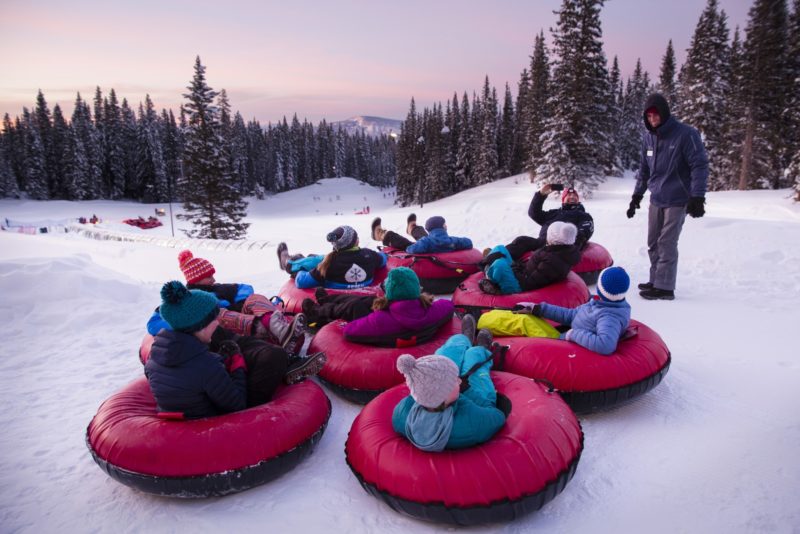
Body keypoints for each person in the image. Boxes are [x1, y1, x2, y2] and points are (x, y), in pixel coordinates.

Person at [145, 281, 326, 419]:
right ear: (197, 327)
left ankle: (284, 357)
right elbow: (236, 405)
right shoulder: (207, 365)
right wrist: (237, 366)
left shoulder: (156, 354)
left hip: (204, 388)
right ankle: (285, 361)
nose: (217, 321)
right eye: (212, 320)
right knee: (273, 357)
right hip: (218, 417)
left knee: (228, 338)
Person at [626, 93, 709, 301]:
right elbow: (644, 170)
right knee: (653, 242)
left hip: (678, 198)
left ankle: (665, 287)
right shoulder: (648, 138)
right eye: (649, 116)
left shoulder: (686, 134)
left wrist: (697, 196)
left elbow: (699, 165)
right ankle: (656, 280)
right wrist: (637, 196)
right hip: (656, 198)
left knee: (667, 242)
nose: (653, 119)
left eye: (656, 115)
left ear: (664, 113)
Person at [147, 250, 307, 356]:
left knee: (254, 298)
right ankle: (270, 333)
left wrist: (236, 302)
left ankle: (280, 330)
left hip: (242, 322)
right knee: (217, 314)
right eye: (209, 276)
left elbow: (246, 289)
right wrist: (192, 322)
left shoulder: (219, 288)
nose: (214, 279)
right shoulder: (184, 300)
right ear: (196, 279)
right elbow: (154, 322)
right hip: (221, 334)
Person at [391, 315, 507, 451]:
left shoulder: (401, 413)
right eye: (455, 380)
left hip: (445, 395)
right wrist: (466, 391)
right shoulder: (472, 422)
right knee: (475, 366)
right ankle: (480, 349)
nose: (458, 379)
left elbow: (421, 393)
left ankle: (463, 339)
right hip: (473, 402)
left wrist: (446, 384)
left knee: (444, 355)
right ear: (444, 397)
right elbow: (497, 417)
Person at [302, 267, 454, 344]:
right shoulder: (433, 311)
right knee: (367, 300)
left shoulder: (379, 320)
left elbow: (350, 331)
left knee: (354, 306)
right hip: (400, 312)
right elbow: (448, 305)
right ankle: (327, 299)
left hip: (387, 323)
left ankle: (319, 311)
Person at [510, 266, 632, 355]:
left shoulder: (609, 317)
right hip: (563, 338)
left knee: (524, 324)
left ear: (601, 289)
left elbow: (605, 345)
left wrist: (573, 334)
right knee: (526, 319)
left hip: (565, 346)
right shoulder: (599, 303)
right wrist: (538, 308)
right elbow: (571, 315)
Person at [479, 185, 593, 271]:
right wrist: (541, 195)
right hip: (541, 241)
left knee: (538, 256)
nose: (572, 197)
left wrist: (570, 246)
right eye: (569, 195)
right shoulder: (554, 213)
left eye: (575, 196)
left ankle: (513, 270)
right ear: (563, 199)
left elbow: (585, 230)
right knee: (521, 240)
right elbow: (534, 213)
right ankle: (491, 260)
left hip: (558, 247)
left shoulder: (583, 215)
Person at [479, 221, 581, 295]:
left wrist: (513, 269)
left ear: (553, 238)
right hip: (522, 275)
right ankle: (490, 264)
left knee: (499, 264)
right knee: (500, 248)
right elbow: (531, 270)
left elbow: (530, 283)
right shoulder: (555, 250)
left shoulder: (553, 261)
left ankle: (492, 280)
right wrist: (518, 265)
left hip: (519, 286)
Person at [277, 226, 387, 289]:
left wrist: (302, 272)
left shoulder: (329, 264)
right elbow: (383, 260)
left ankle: (289, 262)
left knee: (313, 260)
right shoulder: (370, 255)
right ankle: (297, 258)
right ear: (356, 242)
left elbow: (301, 282)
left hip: (337, 298)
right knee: (315, 258)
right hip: (361, 299)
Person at [370, 214, 473, 254]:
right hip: (437, 247)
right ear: (444, 228)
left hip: (426, 253)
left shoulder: (426, 241)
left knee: (406, 244)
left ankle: (381, 235)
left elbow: (411, 249)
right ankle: (413, 229)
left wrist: (414, 246)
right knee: (426, 239)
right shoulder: (453, 240)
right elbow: (468, 242)